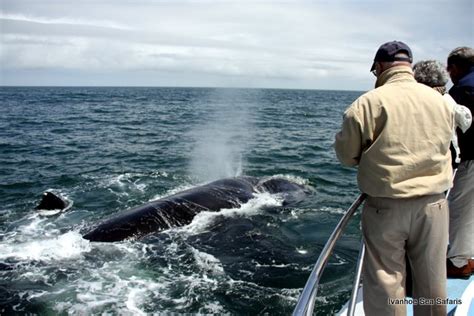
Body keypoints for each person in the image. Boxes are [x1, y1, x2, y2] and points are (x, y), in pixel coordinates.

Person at [334, 41, 454, 315]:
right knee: (432, 282)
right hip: (434, 206)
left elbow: (346, 155)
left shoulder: (367, 104)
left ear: (379, 67)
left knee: (386, 281)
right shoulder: (441, 102)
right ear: (408, 66)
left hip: (386, 207)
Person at [445, 47, 474, 278]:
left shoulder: (462, 88)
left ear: (455, 67)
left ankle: (458, 263)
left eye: (450, 69)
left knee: (461, 209)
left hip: (471, 159)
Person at [412, 60, 472, 169]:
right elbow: (465, 122)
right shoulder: (447, 98)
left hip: (430, 160)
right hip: (448, 158)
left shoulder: (421, 99)